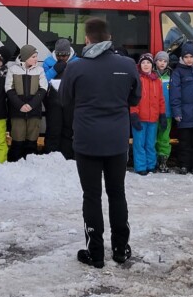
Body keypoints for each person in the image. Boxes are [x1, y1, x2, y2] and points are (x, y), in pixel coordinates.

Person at [60, 17, 141, 268]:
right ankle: (120, 249)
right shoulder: (127, 64)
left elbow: (64, 100)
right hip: (116, 140)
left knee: (91, 196)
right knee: (117, 193)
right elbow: (135, 98)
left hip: (87, 141)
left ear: (87, 39)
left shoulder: (75, 67)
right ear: (109, 38)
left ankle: (95, 253)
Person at [169, 42, 193, 175]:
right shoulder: (178, 72)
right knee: (184, 142)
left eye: (191, 56)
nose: (189, 59)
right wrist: (177, 112)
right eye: (186, 57)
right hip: (184, 114)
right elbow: (174, 94)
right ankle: (184, 165)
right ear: (182, 58)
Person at [5, 44, 47, 161]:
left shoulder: (40, 70)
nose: (36, 59)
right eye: (33, 57)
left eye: (36, 56)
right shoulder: (13, 69)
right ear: (25, 57)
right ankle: (15, 163)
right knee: (17, 140)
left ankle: (30, 163)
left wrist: (31, 105)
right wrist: (20, 105)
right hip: (17, 112)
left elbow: (43, 89)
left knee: (32, 141)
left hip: (34, 112)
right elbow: (9, 89)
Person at [130, 53, 166, 175]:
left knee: (150, 143)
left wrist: (162, 115)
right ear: (140, 65)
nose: (146, 65)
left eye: (148, 63)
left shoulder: (157, 81)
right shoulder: (137, 80)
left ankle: (151, 165)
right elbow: (134, 99)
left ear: (152, 65)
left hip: (153, 119)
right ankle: (141, 166)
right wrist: (134, 114)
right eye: (143, 63)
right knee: (139, 144)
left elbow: (161, 100)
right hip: (140, 118)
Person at [42, 37, 76, 158]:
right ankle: (50, 156)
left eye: (64, 56)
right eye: (58, 55)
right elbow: (43, 80)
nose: (61, 58)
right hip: (53, 101)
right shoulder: (48, 62)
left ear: (69, 53)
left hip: (70, 101)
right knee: (53, 129)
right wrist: (54, 69)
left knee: (68, 129)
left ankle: (67, 156)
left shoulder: (77, 62)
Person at [153, 51, 173, 173]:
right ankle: (153, 160)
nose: (162, 63)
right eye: (160, 60)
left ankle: (163, 161)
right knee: (152, 137)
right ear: (155, 61)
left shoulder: (171, 76)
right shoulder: (151, 75)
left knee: (164, 138)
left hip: (167, 113)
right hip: (153, 113)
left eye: (165, 61)